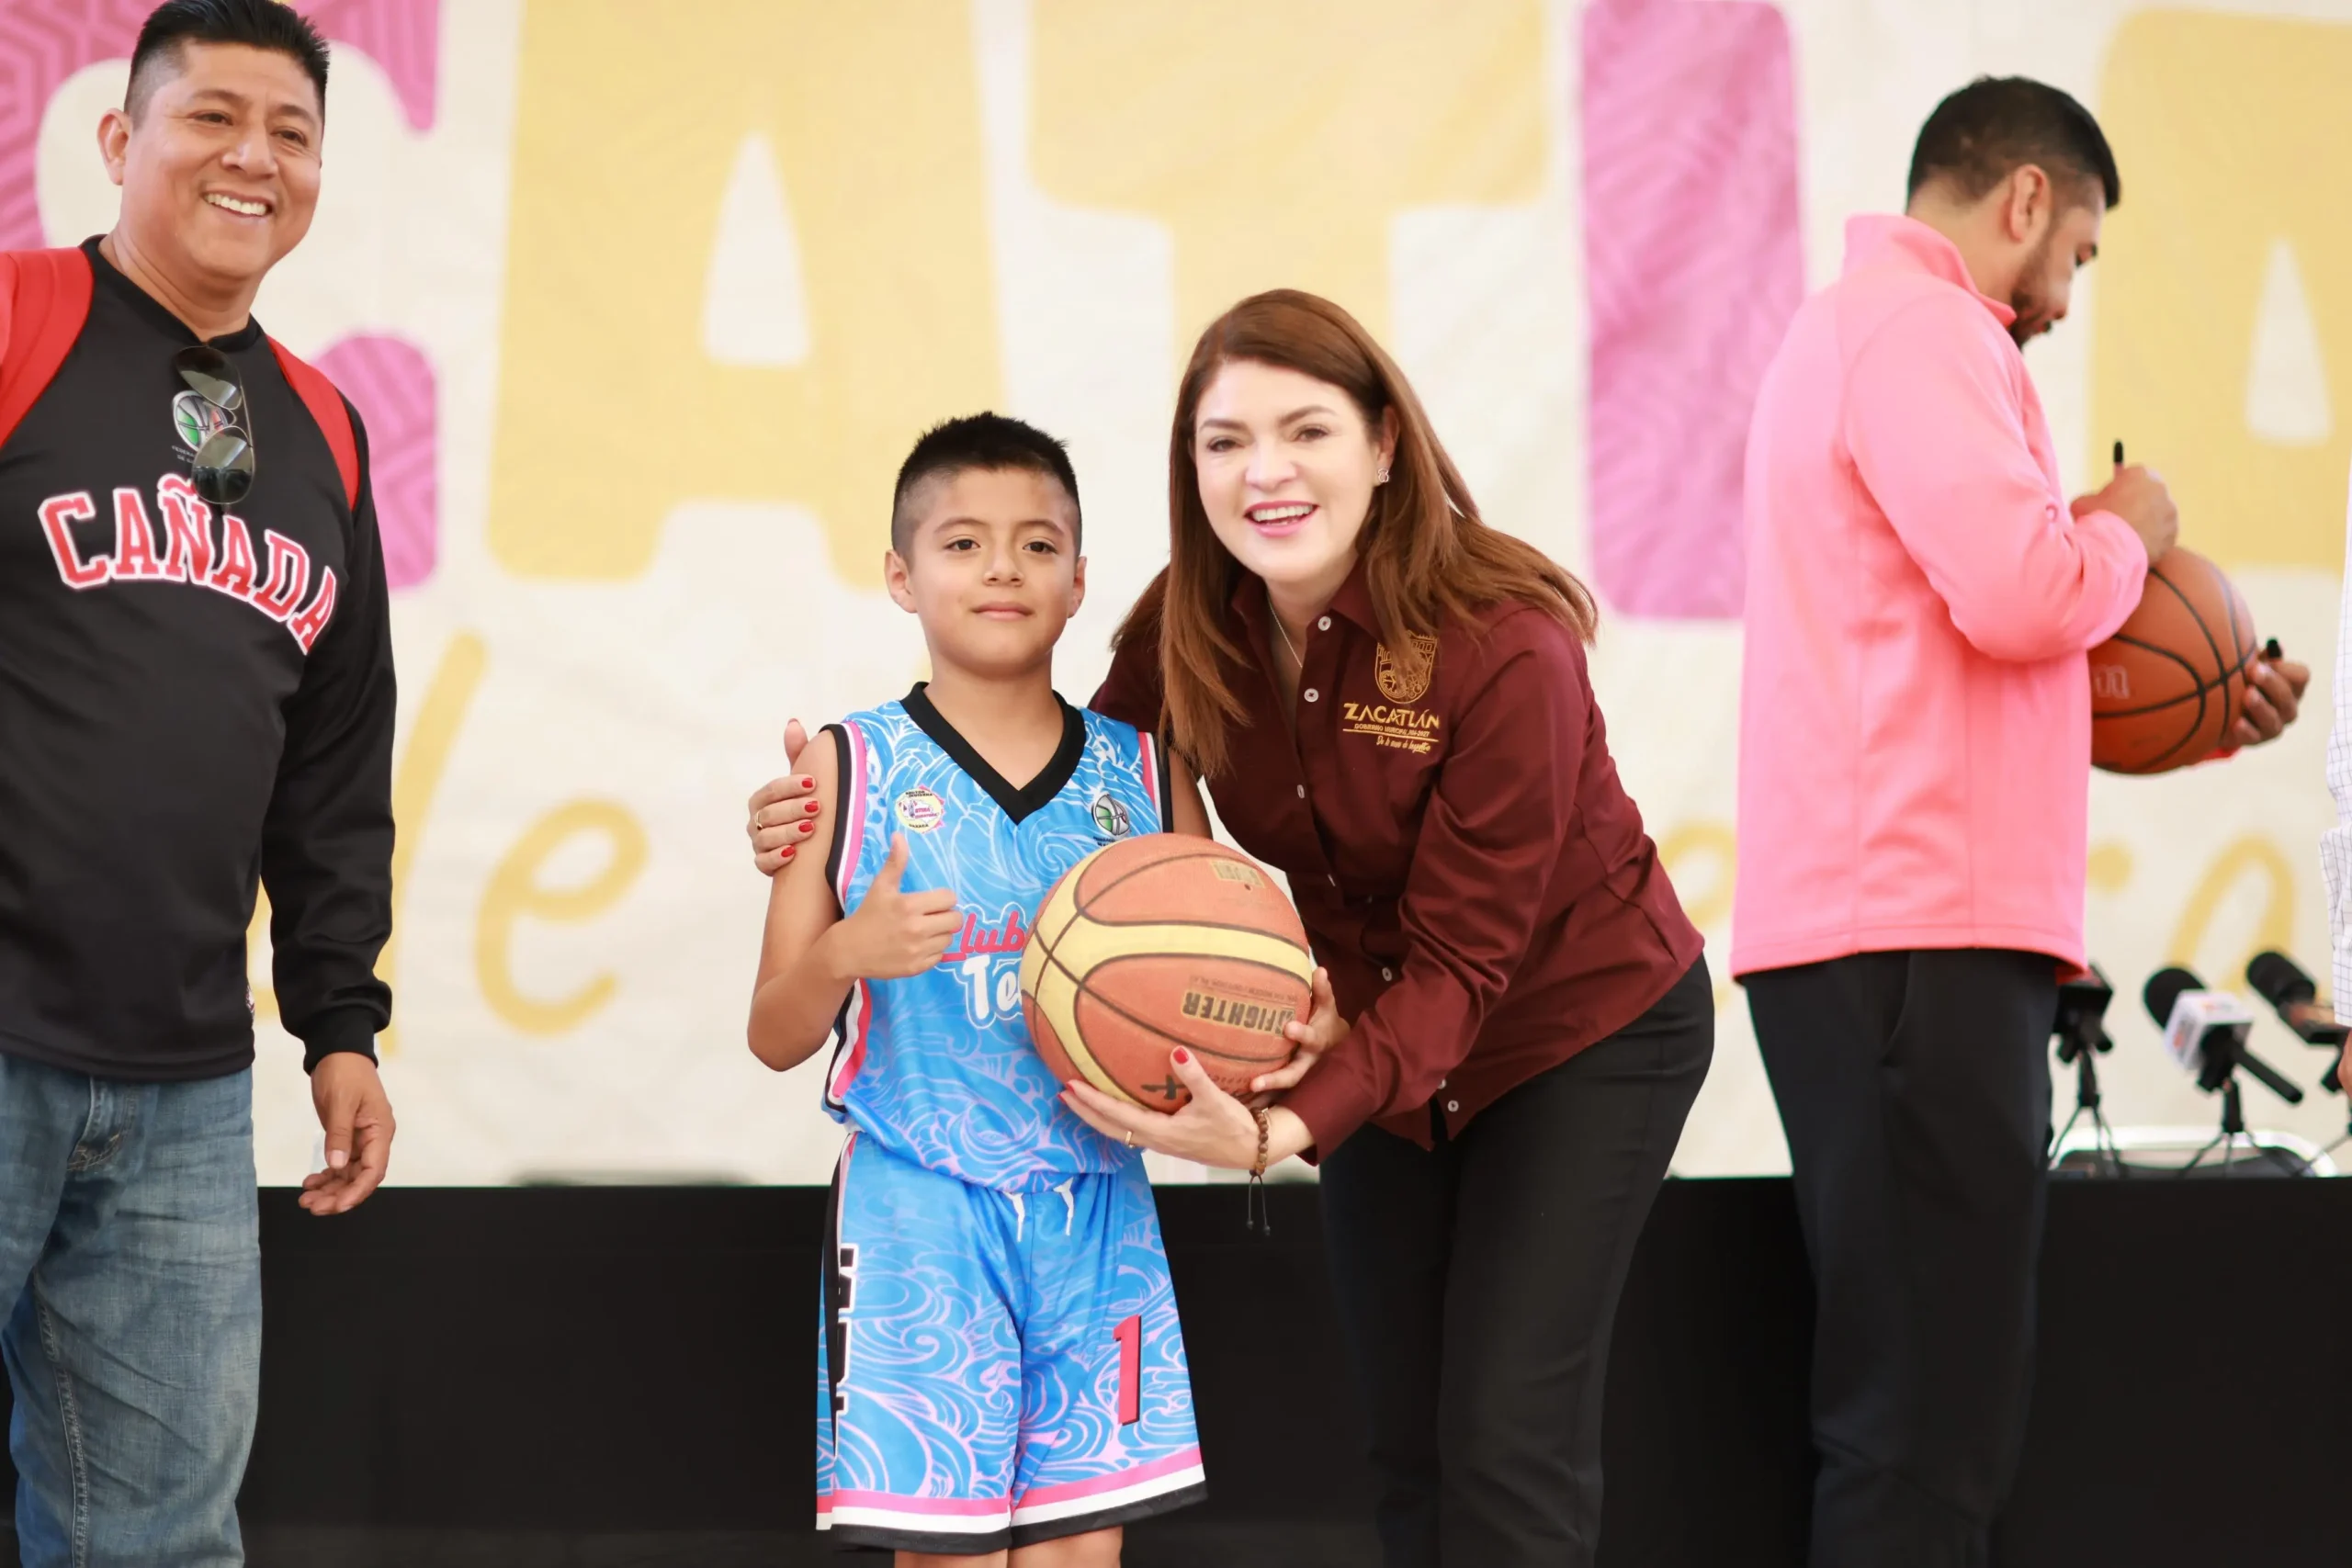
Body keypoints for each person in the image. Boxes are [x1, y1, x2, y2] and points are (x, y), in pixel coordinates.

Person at [751, 292, 1713, 1568]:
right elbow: (1081, 836)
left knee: (1503, 1432)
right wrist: (810, 837)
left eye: (1304, 428)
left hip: (1571, 1032)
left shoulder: (1506, 642)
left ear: (1382, 444)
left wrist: (1276, 1125)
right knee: (1411, 1440)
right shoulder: (1184, 628)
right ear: (1188, 468)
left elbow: (1469, 966)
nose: (1265, 470)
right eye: (1224, 441)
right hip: (1361, 1029)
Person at [1735, 76, 2306, 1568]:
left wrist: (2198, 710)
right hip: (1913, 937)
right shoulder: (1926, 331)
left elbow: (1968, 668)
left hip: (1898, 928)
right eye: (2082, 254)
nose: (2067, 295)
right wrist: (2130, 522)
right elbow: (2021, 591)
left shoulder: (1854, 333)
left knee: (1923, 1411)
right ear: (2029, 202)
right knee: (1927, 1425)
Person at [0, 2, 401, 1562]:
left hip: (181, 1081)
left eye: (292, 133)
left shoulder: (325, 434)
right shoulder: (22, 320)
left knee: (158, 1536)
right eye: (212, 117)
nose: (255, 157)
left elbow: (332, 759)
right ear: (119, 140)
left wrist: (339, 1021)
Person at [748, 415, 1284, 1566]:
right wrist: (846, 956)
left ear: (1082, 580)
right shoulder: (842, 767)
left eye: (1038, 546)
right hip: (919, 1214)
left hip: (1098, 1214)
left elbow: (1225, 985)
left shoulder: (1146, 771)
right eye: (962, 544)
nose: (1002, 569)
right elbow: (772, 1033)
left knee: (1080, 1557)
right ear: (901, 575)